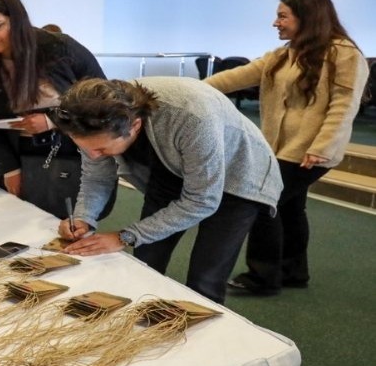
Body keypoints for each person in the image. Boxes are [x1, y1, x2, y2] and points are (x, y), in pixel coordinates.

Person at [51, 77, 283, 305]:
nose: (93, 156)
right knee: (146, 259)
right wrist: (84, 216)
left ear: (134, 126)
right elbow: (97, 176)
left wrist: (126, 236)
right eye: (85, 148)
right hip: (170, 169)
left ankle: (198, 335)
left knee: (205, 276)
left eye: (101, 149)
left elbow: (202, 201)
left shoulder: (192, 117)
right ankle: (136, 317)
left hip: (238, 177)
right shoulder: (91, 119)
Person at [205, 0, 369, 296]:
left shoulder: (344, 54)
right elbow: (235, 78)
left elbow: (344, 106)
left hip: (310, 151)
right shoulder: (284, 54)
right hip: (277, 149)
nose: (275, 23)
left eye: (282, 16)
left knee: (261, 203)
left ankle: (262, 277)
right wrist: (190, 90)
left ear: (307, 18)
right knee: (290, 209)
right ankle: (293, 272)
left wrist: (322, 147)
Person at [0, 0, 111, 219]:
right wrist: (10, 168)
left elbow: (103, 97)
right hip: (14, 155)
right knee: (17, 223)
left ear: (16, 19)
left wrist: (52, 120)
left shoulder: (59, 47)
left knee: (71, 225)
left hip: (68, 154)